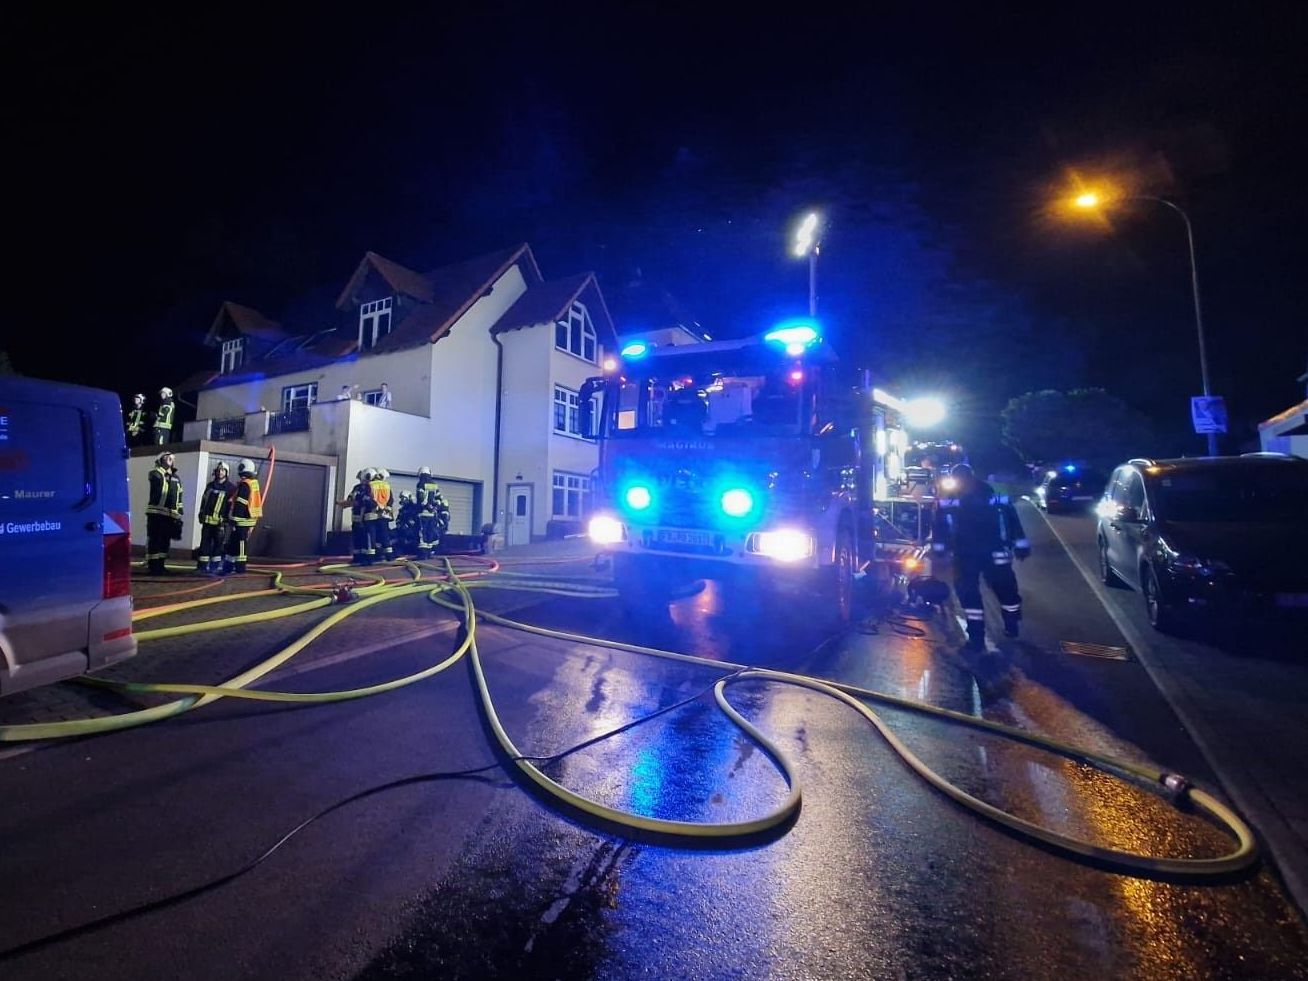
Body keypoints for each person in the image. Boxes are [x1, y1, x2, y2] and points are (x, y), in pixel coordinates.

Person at [932, 463, 1030, 651]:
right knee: (972, 596)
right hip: (970, 554)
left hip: (984, 554)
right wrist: (939, 548)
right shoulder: (955, 501)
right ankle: (978, 637)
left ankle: (1010, 624)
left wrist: (1021, 544)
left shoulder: (987, 498)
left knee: (1005, 593)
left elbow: (1012, 520)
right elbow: (940, 526)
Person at [145, 451, 184, 574]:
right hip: (156, 513)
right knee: (155, 540)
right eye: (167, 457)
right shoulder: (156, 474)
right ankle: (153, 566)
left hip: (170, 515)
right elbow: (157, 481)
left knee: (165, 541)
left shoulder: (176, 478)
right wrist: (166, 473)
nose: (170, 459)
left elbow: (179, 495)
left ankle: (161, 565)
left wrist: (179, 511)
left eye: (172, 458)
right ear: (160, 460)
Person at [222, 458, 263, 575]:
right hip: (247, 519)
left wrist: (234, 519)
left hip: (242, 520)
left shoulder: (245, 485)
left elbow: (240, 503)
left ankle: (239, 567)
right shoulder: (252, 483)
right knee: (233, 542)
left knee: (240, 543)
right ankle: (228, 566)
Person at [196, 461, 234, 573]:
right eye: (218, 470)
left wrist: (227, 519)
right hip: (207, 521)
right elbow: (204, 501)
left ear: (226, 473)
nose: (220, 472)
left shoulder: (231, 488)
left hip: (220, 523)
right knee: (204, 545)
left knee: (218, 546)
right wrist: (201, 513)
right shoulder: (210, 486)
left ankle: (214, 568)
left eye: (222, 470)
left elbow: (231, 506)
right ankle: (201, 567)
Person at [338, 469, 375, 565]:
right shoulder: (357, 488)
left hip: (366, 518)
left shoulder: (371, 488)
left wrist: (358, 503)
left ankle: (368, 559)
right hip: (356, 517)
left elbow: (369, 502)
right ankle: (357, 557)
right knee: (357, 538)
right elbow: (351, 498)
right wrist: (345, 503)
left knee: (366, 538)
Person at [414, 465, 449, 559]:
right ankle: (429, 553)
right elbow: (439, 498)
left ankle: (423, 554)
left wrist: (427, 506)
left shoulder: (421, 484)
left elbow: (421, 497)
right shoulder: (434, 484)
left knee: (422, 533)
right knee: (430, 532)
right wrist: (435, 507)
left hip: (423, 513)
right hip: (432, 514)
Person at [369, 467, 395, 561]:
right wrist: (386, 508)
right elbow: (391, 500)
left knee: (374, 536)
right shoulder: (386, 485)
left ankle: (376, 556)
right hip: (384, 514)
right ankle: (389, 556)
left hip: (373, 515)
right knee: (385, 535)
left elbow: (369, 499)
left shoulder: (371, 485)